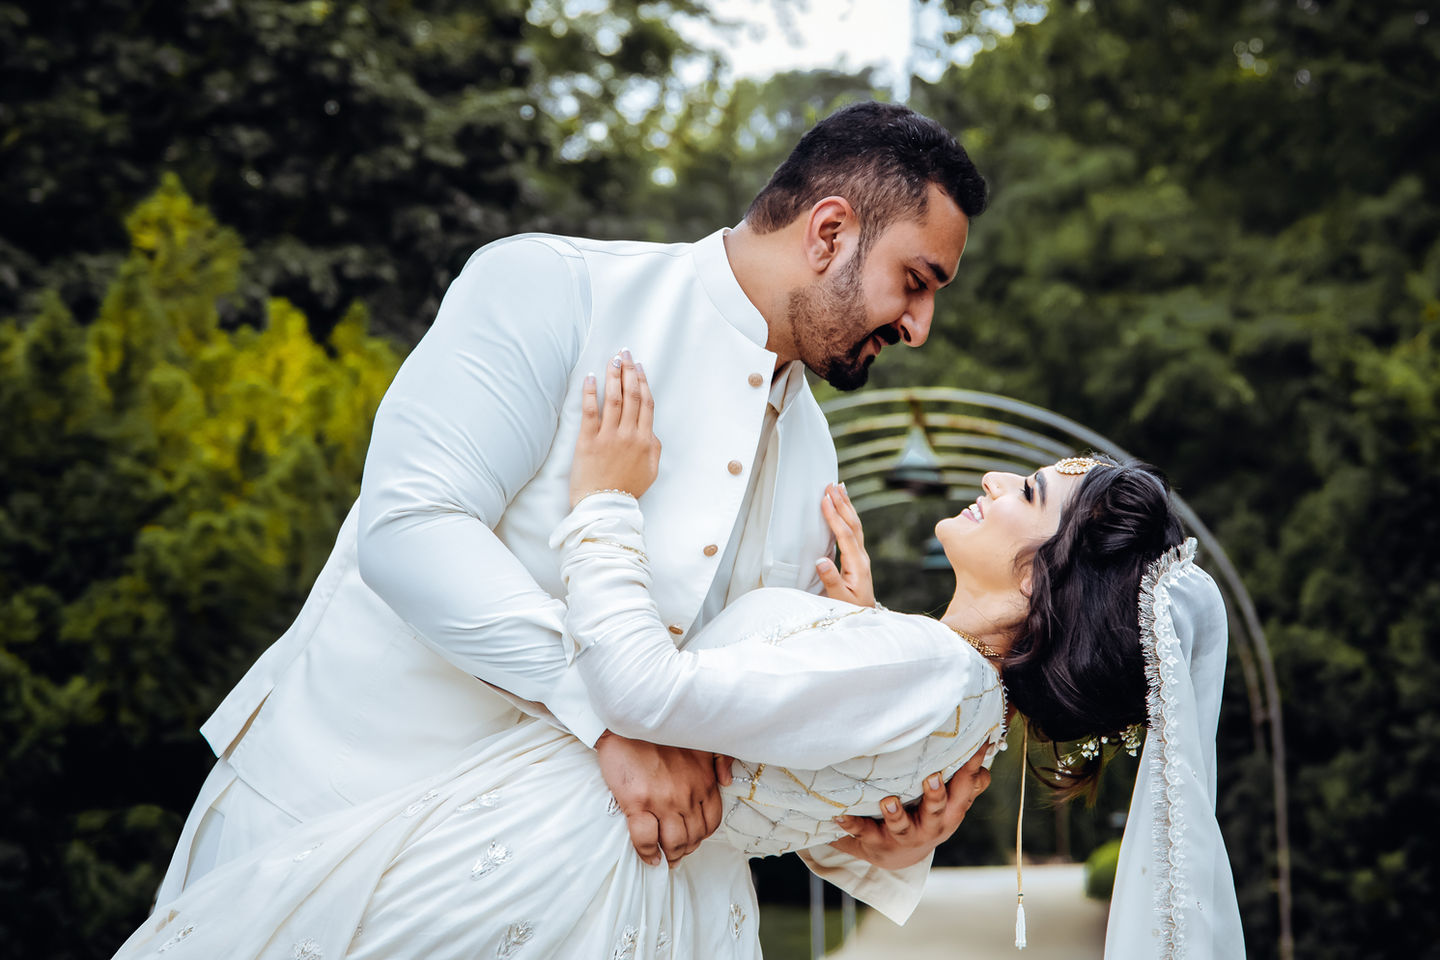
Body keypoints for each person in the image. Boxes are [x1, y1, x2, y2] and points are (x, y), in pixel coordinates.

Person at [154, 99, 991, 906]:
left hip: (591, 899)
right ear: (830, 231)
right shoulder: (551, 288)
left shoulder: (815, 454)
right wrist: (609, 721)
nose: (919, 326)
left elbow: (752, 735)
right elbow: (411, 527)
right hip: (340, 829)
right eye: (915, 282)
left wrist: (868, 832)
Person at [117, 361, 1244, 959]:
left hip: (560, 857)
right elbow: (790, 795)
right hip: (632, 873)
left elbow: (646, 694)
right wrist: (858, 625)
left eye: (1030, 494)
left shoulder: (933, 684)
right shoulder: (947, 695)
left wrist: (604, 504)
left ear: (1045, 582)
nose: (999, 483)